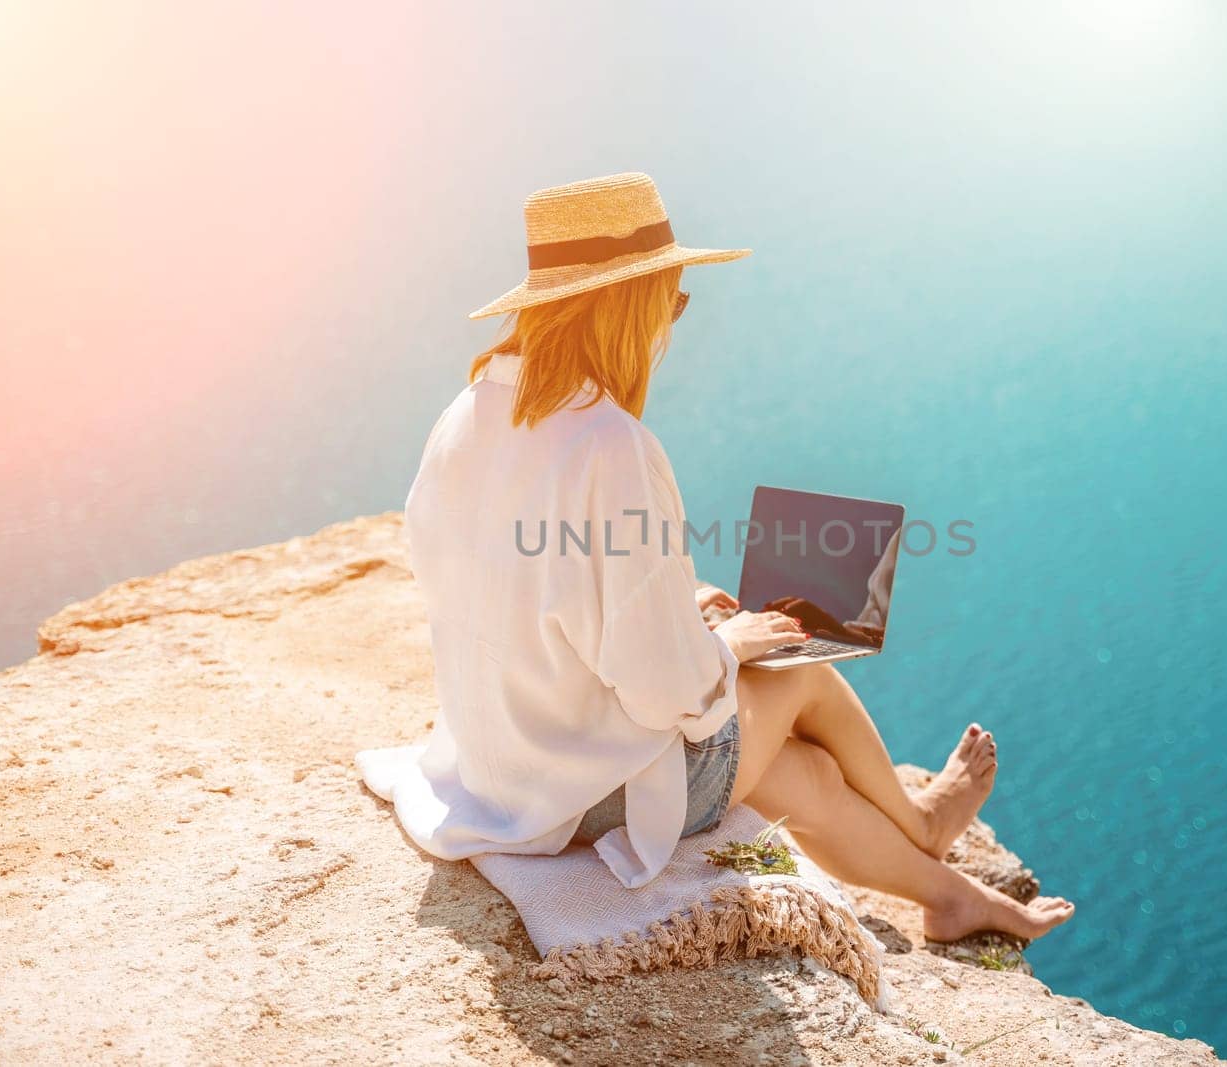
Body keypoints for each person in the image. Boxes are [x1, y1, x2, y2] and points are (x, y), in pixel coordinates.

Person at [374, 172, 1073, 945]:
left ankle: (951, 897)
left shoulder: (468, 413)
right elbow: (665, 690)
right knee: (799, 661)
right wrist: (724, 647)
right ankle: (920, 817)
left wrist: (681, 611)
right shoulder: (611, 446)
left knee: (803, 776)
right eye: (673, 297)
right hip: (581, 791)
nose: (675, 318)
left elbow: (529, 591)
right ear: (629, 303)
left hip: (503, 760)